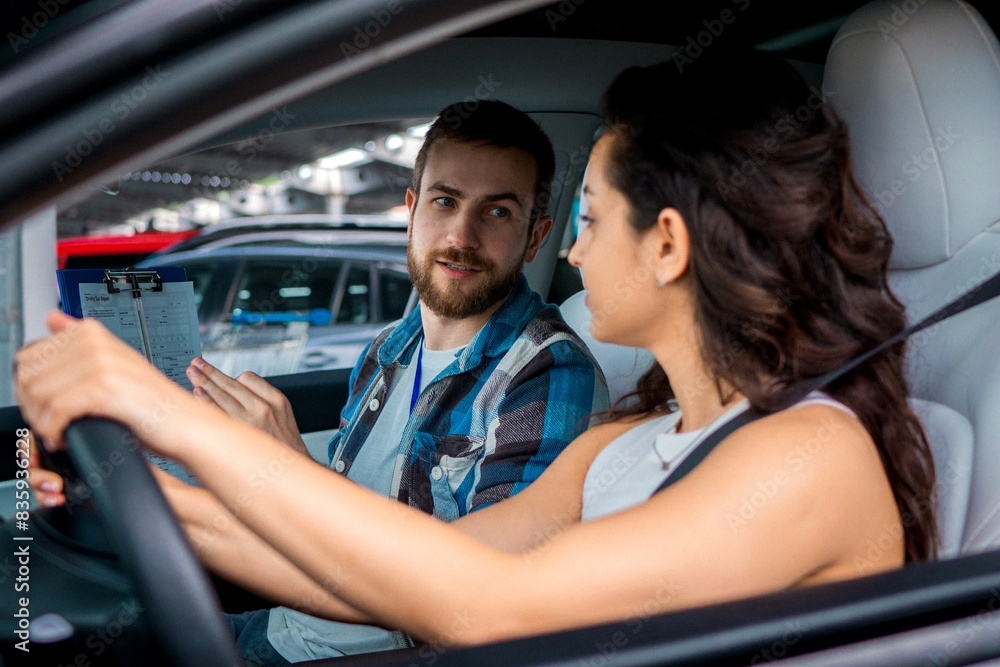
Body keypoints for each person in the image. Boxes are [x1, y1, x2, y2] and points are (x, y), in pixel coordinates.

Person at [17, 51, 938, 651]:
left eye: (584, 220)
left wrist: (165, 407)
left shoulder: (810, 456)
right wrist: (133, 496)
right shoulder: (623, 443)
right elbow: (404, 568)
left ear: (666, 245)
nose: (569, 253)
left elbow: (487, 606)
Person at [29, 99, 610, 664]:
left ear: (536, 238)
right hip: (291, 623)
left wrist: (287, 469)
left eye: (498, 212)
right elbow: (324, 542)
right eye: (444, 201)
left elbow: (473, 605)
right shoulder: (387, 351)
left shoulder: (547, 375)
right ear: (411, 210)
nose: (461, 235)